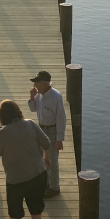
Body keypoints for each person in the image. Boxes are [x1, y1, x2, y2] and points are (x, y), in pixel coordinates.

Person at [0, 100, 51, 219]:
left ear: (2, 117)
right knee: (36, 204)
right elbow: (46, 142)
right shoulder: (30, 124)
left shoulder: (3, 133)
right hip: (38, 173)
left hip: (16, 179)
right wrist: (47, 158)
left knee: (14, 206)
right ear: (18, 111)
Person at [27, 70, 66, 198]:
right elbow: (33, 109)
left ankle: (55, 188)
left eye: (36, 83)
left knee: (53, 162)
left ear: (44, 83)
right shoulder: (38, 95)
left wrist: (59, 139)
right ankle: (46, 184)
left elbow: (61, 119)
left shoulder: (56, 97)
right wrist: (32, 97)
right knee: (43, 159)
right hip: (41, 129)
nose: (35, 86)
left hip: (52, 131)